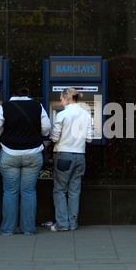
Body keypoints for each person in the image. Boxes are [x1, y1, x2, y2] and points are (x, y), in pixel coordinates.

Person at [0, 88, 51, 235]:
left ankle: (8, 230)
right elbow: (46, 128)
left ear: (13, 95)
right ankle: (29, 229)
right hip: (33, 153)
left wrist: (1, 132)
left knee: (10, 192)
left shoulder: (4, 106)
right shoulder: (38, 106)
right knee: (29, 191)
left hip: (10, 153)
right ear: (28, 95)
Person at [50, 88, 93, 232]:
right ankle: (73, 223)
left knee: (60, 190)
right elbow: (89, 138)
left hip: (64, 156)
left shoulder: (62, 115)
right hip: (80, 156)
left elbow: (54, 137)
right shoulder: (86, 114)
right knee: (75, 191)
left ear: (68, 98)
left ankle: (62, 223)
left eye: (61, 99)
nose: (60, 102)